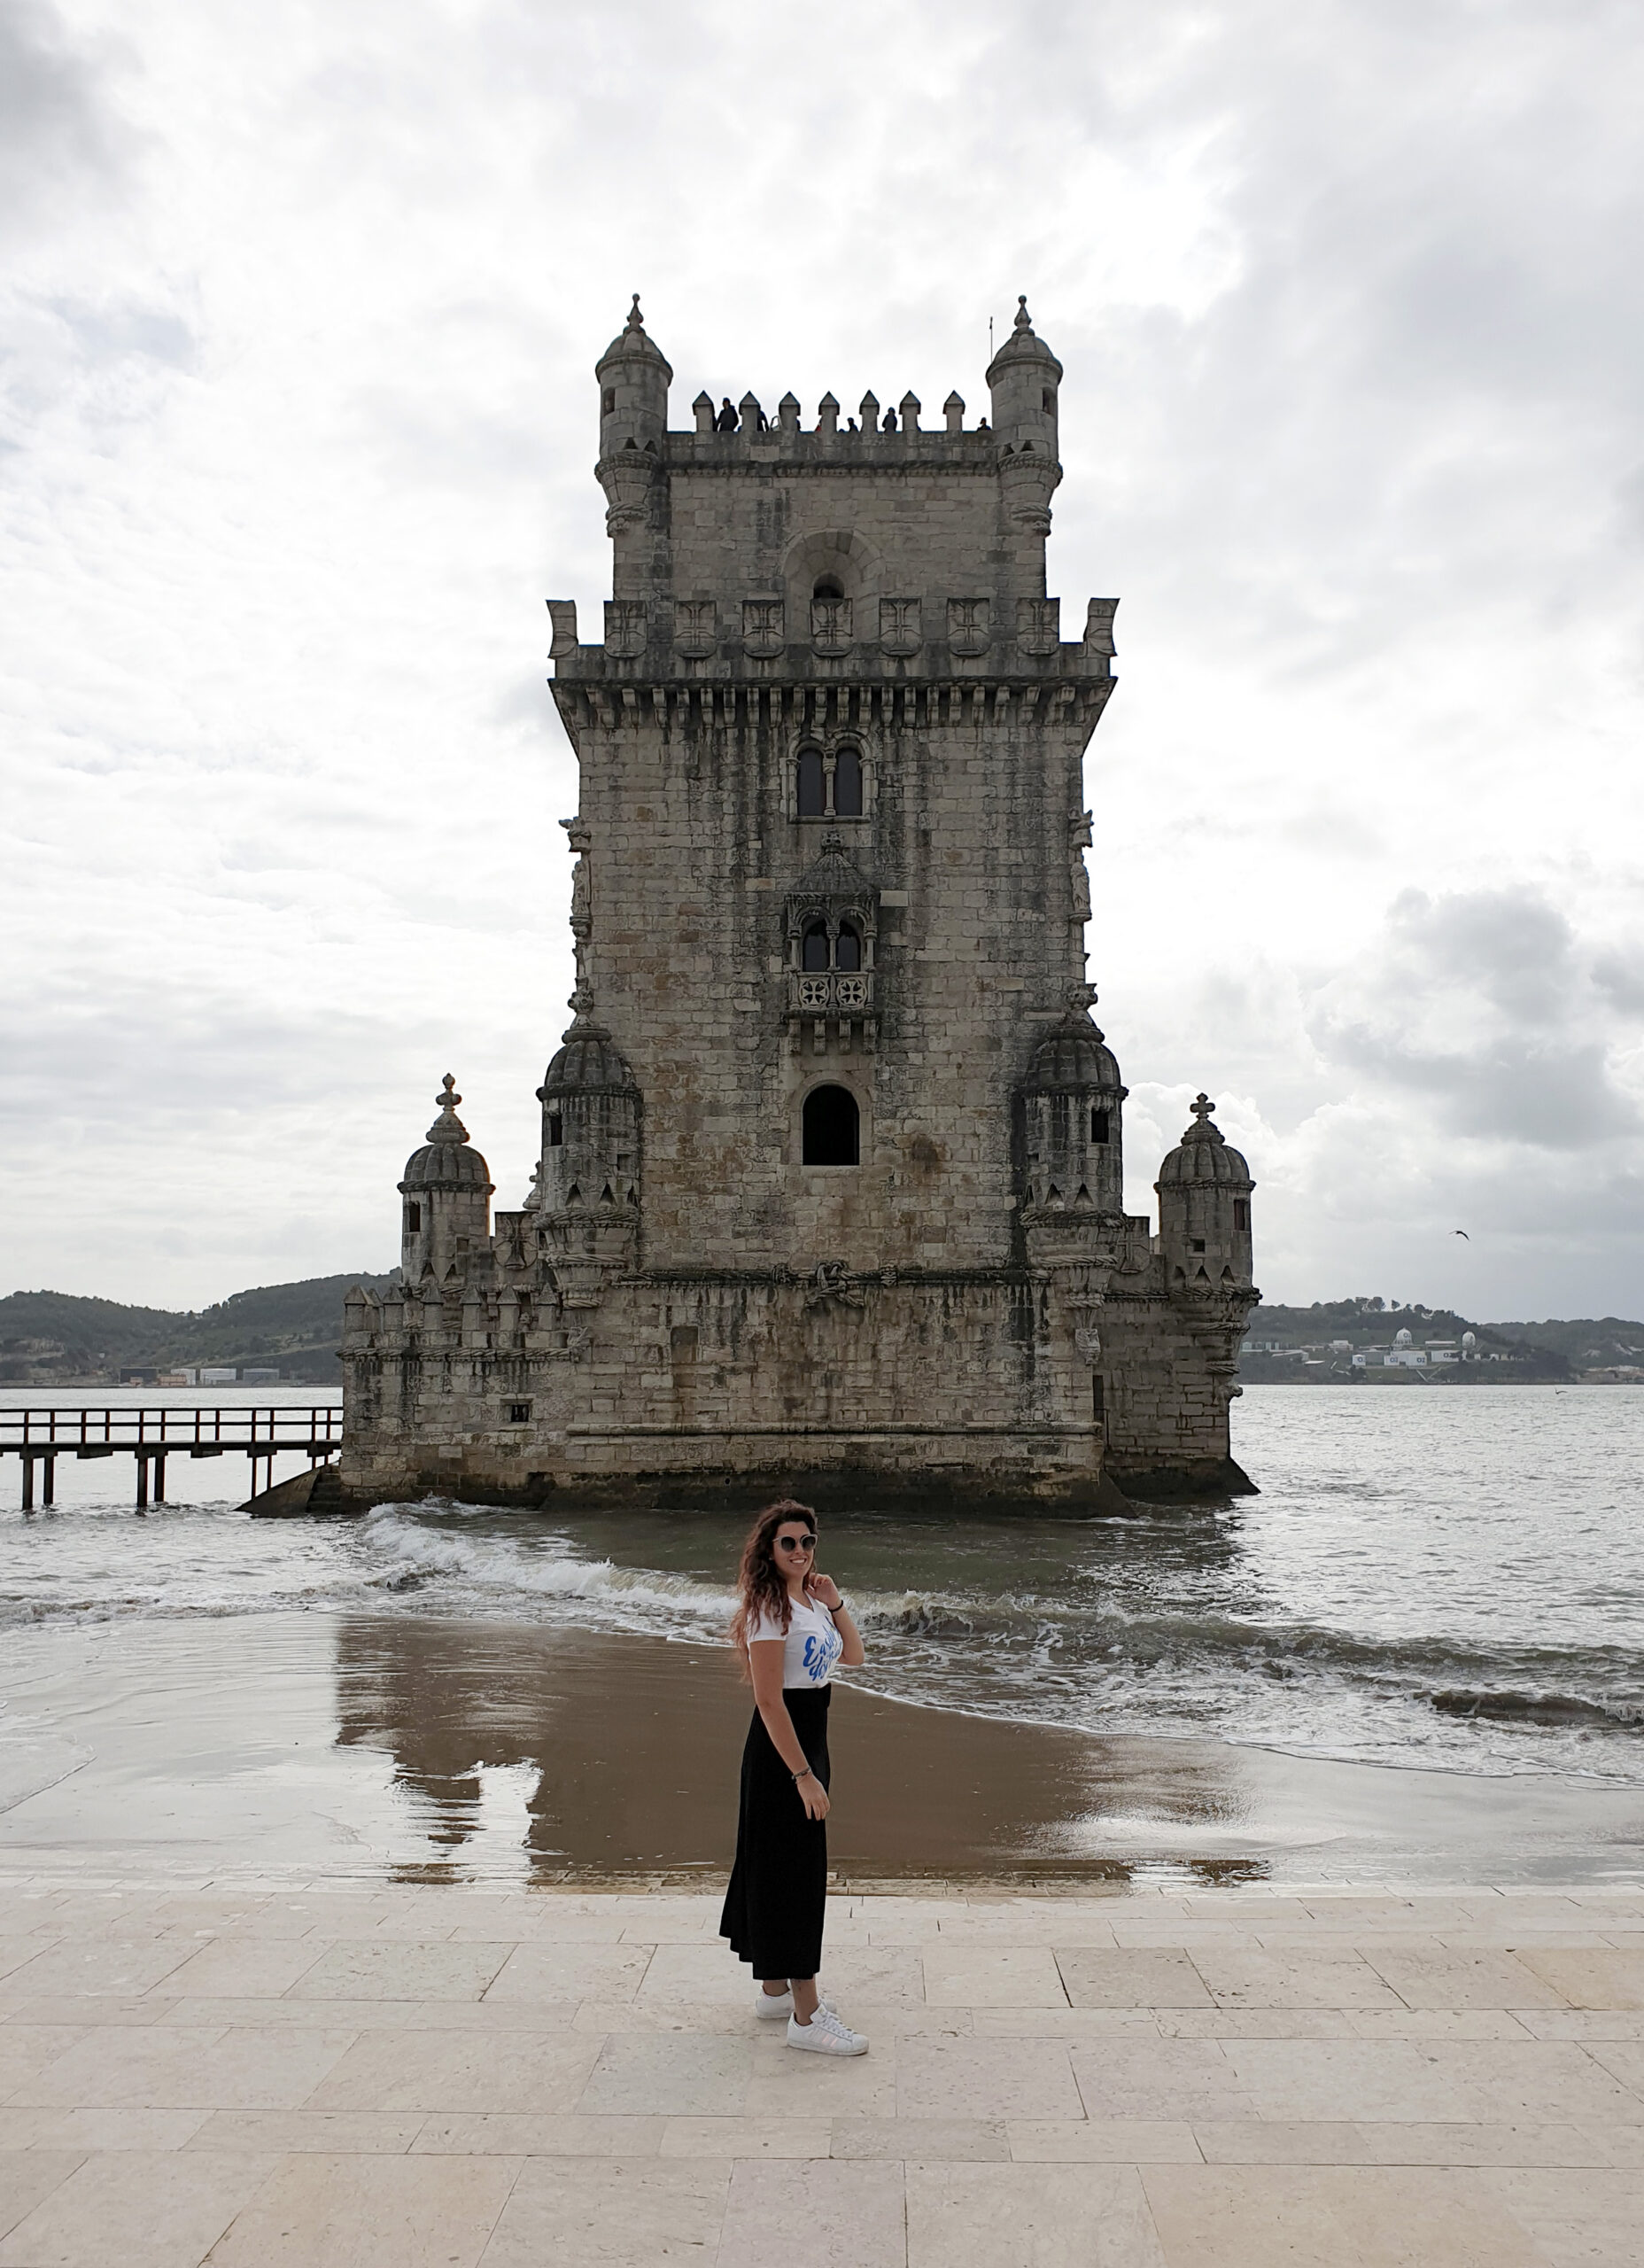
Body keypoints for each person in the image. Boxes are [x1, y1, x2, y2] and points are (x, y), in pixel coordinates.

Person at [719, 1499, 869, 2054]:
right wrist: (803, 1774)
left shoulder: (808, 1601)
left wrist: (837, 1603)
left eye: (808, 1542)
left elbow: (852, 1657)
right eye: (789, 1543)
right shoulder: (768, 1608)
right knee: (796, 1874)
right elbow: (767, 1700)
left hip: (811, 1737)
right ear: (770, 1549)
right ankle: (806, 2019)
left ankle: (777, 1988)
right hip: (785, 1749)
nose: (801, 1551)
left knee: (781, 1863)